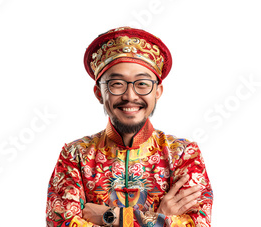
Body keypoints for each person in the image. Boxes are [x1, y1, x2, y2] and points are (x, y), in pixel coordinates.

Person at [46, 27, 213, 226]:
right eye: (117, 84)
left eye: (142, 83)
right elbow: (61, 223)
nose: (130, 96)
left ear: (157, 91)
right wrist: (160, 218)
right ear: (99, 93)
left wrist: (111, 216)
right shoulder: (75, 155)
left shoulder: (183, 154)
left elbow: (197, 224)